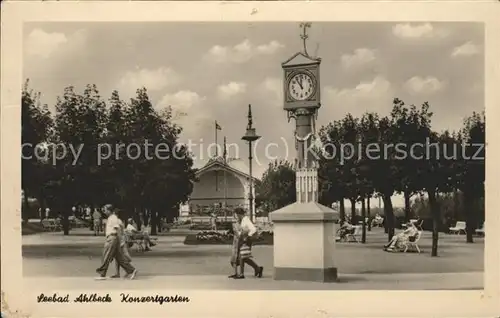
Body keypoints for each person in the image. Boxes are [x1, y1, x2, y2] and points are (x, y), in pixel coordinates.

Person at [95, 205, 137, 280]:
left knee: (106, 255)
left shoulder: (113, 218)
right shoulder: (111, 218)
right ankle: (131, 270)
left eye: (105, 210)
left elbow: (117, 229)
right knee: (119, 258)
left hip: (112, 238)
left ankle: (102, 274)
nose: (104, 211)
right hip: (113, 238)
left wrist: (120, 241)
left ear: (109, 210)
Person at [233, 207, 263, 279]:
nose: (236, 216)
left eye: (236, 215)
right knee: (243, 256)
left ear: (239, 214)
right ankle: (256, 269)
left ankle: (255, 269)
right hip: (245, 239)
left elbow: (253, 229)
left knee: (243, 256)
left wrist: (247, 237)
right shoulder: (243, 220)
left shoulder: (246, 219)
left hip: (247, 240)